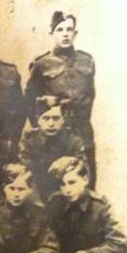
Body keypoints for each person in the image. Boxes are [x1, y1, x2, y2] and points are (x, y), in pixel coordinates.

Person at [24, 11, 97, 186]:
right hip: (55, 136)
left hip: (82, 132)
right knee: (54, 186)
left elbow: (90, 95)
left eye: (69, 29)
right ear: (52, 33)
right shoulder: (41, 64)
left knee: (86, 184)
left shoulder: (87, 61)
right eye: (60, 29)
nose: (65, 34)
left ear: (75, 33)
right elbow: (30, 103)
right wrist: (44, 129)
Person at [18, 95, 87, 202]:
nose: (51, 124)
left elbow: (84, 171)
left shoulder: (73, 140)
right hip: (37, 192)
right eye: (46, 118)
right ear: (38, 120)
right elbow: (26, 171)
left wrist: (72, 160)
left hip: (66, 192)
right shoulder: (29, 140)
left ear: (63, 119)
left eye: (56, 118)